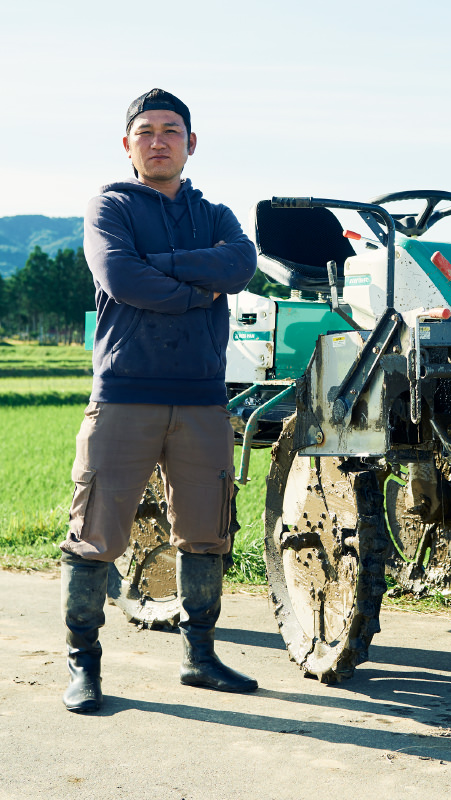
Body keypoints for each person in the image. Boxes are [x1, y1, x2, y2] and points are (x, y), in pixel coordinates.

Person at [59, 88, 258, 712]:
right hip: (125, 394)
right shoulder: (109, 205)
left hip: (202, 399)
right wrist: (196, 290)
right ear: (128, 144)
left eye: (171, 130)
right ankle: (84, 669)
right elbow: (120, 276)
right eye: (145, 131)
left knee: (206, 532)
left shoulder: (218, 214)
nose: (158, 140)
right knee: (94, 534)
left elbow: (241, 265)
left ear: (190, 143)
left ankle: (200, 658)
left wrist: (164, 266)